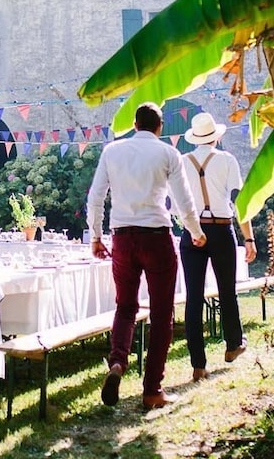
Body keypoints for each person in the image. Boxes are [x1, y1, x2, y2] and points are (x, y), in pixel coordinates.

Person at [87, 102, 206, 410]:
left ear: (135, 125)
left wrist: (96, 236)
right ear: (160, 127)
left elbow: (96, 195)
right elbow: (183, 200)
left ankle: (117, 364)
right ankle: (152, 390)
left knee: (125, 307)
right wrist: (195, 231)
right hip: (156, 238)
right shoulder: (169, 154)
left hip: (123, 238)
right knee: (161, 314)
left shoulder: (112, 152)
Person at [179, 111, 256, 382]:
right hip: (221, 229)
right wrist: (249, 238)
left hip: (191, 232)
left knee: (193, 298)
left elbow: (175, 201)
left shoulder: (182, 161)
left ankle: (198, 365)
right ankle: (233, 345)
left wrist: (190, 227)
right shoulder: (226, 160)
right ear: (215, 136)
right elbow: (239, 201)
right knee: (227, 291)